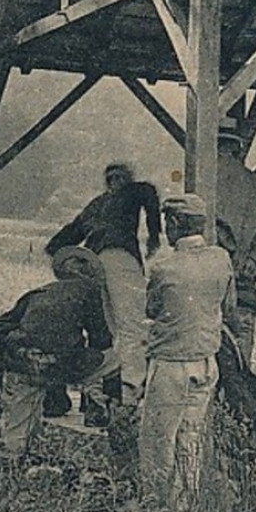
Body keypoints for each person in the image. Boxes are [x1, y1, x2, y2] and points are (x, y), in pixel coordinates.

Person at [139, 194, 235, 509]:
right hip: (206, 362)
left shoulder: (163, 266)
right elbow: (229, 307)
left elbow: (152, 308)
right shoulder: (221, 258)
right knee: (190, 440)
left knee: (158, 443)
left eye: (168, 223)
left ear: (176, 224)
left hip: (171, 364)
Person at [45, 162, 162, 407]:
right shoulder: (133, 191)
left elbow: (66, 236)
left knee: (107, 329)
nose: (115, 183)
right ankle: (131, 393)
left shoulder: (96, 205)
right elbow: (149, 192)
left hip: (94, 263)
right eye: (114, 178)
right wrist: (154, 236)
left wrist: (64, 258)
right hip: (120, 256)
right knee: (133, 325)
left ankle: (101, 394)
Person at [0, 247, 116, 461]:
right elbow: (102, 339)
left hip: (24, 365)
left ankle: (9, 463)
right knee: (116, 359)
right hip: (62, 366)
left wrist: (22, 351)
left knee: (17, 427)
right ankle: (100, 408)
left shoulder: (38, 292)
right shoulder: (89, 291)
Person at [213, 119, 256, 366]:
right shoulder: (251, 180)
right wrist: (254, 259)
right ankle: (239, 400)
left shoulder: (201, 175)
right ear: (236, 147)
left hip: (208, 276)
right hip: (242, 279)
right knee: (241, 344)